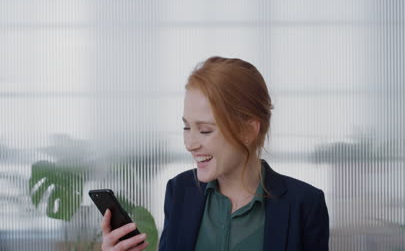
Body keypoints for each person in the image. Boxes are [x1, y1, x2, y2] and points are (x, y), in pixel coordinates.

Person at [100, 56, 329, 251]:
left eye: (205, 130)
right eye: (187, 127)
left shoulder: (305, 204)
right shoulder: (179, 193)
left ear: (248, 130)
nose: (190, 144)